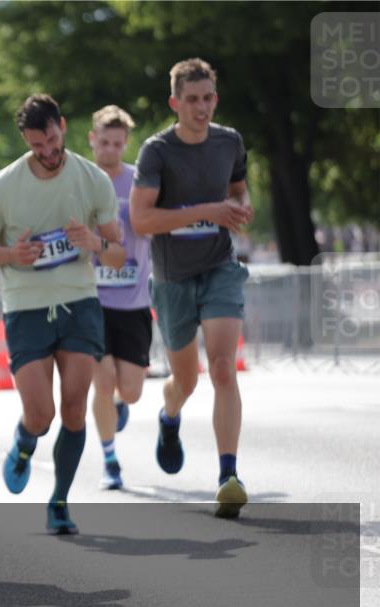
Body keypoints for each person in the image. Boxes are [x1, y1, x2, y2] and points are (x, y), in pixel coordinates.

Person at [0, 94, 126, 535]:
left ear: (62, 126)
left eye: (51, 141)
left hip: (80, 304)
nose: (47, 153)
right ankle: (26, 441)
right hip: (25, 309)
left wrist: (94, 243)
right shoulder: (3, 185)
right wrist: (12, 253)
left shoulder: (92, 179)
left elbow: (120, 255)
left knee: (73, 408)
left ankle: (60, 501)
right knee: (41, 414)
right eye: (36, 146)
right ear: (25, 141)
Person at [129, 58, 253, 518]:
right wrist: (207, 210)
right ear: (175, 102)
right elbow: (142, 220)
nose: (201, 108)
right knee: (186, 380)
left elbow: (238, 190)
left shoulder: (229, 141)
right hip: (173, 277)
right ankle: (170, 418)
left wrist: (240, 209)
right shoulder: (157, 151)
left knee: (222, 367)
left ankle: (228, 476)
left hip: (220, 265)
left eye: (207, 99)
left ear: (215, 99)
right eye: (192, 100)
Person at [87, 105, 153, 490]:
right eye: (104, 142)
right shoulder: (83, 181)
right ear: (92, 139)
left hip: (134, 300)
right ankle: (110, 459)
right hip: (92, 300)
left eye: (118, 143)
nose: (110, 149)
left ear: (126, 144)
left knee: (130, 390)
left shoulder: (140, 183)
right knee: (103, 379)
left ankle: (118, 407)